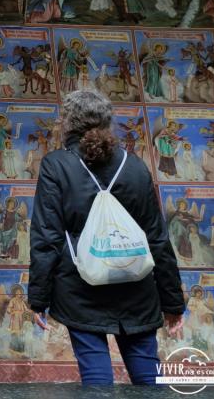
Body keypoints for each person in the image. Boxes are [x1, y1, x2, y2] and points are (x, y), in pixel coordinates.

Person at [29, 90, 185, 385]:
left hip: (80, 288)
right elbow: (157, 238)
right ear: (107, 121)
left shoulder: (56, 166)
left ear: (68, 123)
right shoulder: (135, 166)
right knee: (147, 373)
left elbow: (47, 237)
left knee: (95, 373)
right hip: (136, 287)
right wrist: (173, 303)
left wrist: (38, 299)